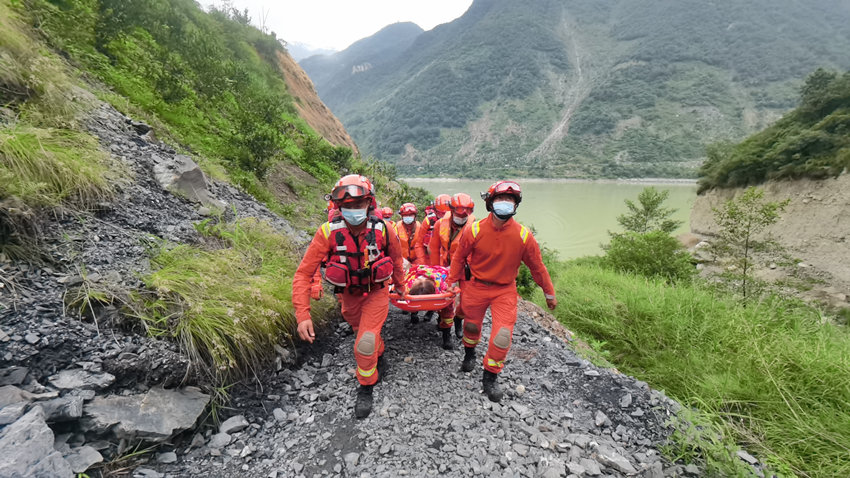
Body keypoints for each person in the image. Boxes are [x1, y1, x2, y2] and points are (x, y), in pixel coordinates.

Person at [292, 174, 405, 418]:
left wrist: (401, 286)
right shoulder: (327, 232)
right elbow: (303, 274)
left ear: (369, 203)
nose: (353, 210)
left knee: (364, 342)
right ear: (338, 206)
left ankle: (366, 386)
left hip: (376, 292)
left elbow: (396, 260)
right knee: (363, 333)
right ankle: (380, 353)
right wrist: (303, 314)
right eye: (347, 206)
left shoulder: (384, 228)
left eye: (358, 204)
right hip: (349, 296)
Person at [447, 180, 556, 403]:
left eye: (510, 200)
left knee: (503, 336)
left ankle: (490, 377)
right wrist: (451, 281)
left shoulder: (524, 236)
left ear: (516, 205)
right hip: (476, 286)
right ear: (490, 203)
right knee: (471, 326)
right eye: (500, 199)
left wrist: (549, 292)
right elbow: (459, 257)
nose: (505, 203)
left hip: (505, 291)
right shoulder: (474, 230)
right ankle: (469, 354)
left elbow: (537, 267)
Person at [428, 193, 476, 344]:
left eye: (465, 213)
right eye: (458, 212)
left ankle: (458, 319)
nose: (462, 216)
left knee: (467, 303)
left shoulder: (475, 228)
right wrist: (436, 271)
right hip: (444, 268)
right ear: (452, 210)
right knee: (446, 301)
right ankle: (446, 333)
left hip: (466, 270)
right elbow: (434, 248)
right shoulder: (439, 224)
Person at [395, 203, 423, 323]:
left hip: (416, 258)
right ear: (402, 216)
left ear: (415, 216)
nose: (408, 217)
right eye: (406, 215)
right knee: (403, 281)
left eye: (410, 215)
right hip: (402, 258)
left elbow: (422, 244)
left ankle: (414, 311)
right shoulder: (397, 227)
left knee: (415, 283)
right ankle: (403, 301)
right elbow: (394, 245)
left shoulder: (420, 227)